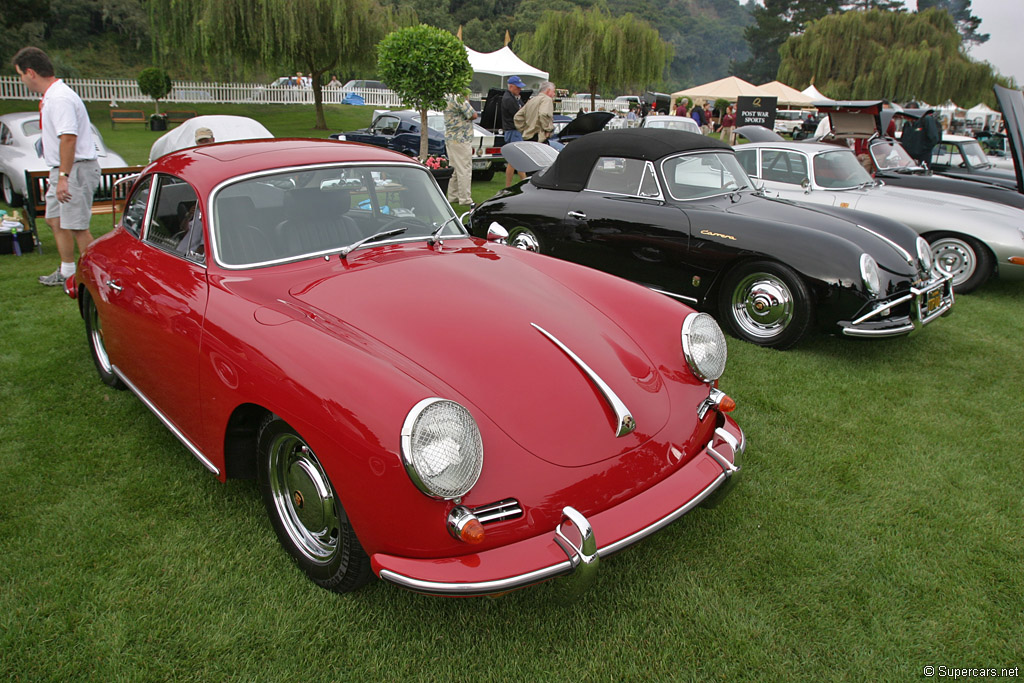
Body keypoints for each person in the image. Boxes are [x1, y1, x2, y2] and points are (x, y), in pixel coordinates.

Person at [13, 47, 101, 287]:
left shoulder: (60, 98)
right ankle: (67, 271)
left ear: (31, 72)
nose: (21, 79)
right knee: (54, 220)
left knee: (77, 226)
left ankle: (95, 277)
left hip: (75, 169)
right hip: (63, 169)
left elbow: (69, 137)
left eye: (20, 74)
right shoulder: (52, 96)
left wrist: (64, 176)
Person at [443, 91, 478, 207]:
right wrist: (466, 100)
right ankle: (465, 198)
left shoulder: (446, 96)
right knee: (464, 169)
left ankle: (453, 196)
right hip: (461, 138)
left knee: (453, 169)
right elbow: (473, 114)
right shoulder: (459, 98)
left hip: (450, 137)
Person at [501, 76, 528, 187]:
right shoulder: (508, 99)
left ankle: (519, 183)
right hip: (513, 131)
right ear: (511, 86)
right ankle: (522, 182)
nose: (520, 90)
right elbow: (519, 114)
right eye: (517, 88)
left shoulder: (515, 98)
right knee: (515, 160)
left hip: (514, 131)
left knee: (514, 160)